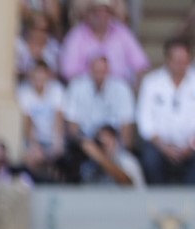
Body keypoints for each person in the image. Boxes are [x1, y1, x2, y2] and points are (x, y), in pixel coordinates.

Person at [136, 36, 195, 186]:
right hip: (160, 146)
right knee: (150, 158)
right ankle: (157, 203)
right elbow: (145, 121)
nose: (181, 65)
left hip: (191, 146)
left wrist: (190, 146)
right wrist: (163, 147)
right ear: (167, 60)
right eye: (177, 61)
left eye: (184, 61)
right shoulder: (151, 83)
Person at [59, 0, 148, 88]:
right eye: (97, 11)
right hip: (86, 89)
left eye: (105, 11)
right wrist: (97, 80)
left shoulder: (122, 32)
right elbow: (68, 72)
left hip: (120, 89)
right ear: (89, 14)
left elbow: (141, 65)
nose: (101, 15)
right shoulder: (76, 35)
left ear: (111, 14)